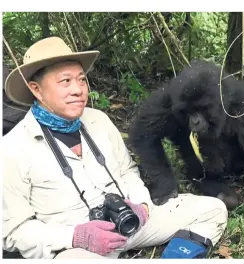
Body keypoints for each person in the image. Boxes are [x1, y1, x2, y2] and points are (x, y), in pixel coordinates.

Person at [1, 37, 228, 259]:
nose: (78, 90)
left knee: (213, 210)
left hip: (130, 223)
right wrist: (75, 237)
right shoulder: (12, 148)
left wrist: (142, 206)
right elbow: (13, 233)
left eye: (81, 80)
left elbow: (128, 171)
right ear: (36, 89)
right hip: (76, 248)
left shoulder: (98, 120)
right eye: (65, 81)